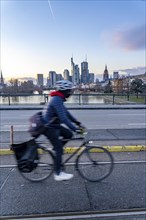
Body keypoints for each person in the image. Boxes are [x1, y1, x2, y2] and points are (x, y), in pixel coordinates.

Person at [42, 80, 84, 181]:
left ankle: (56, 149)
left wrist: (77, 122)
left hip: (54, 125)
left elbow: (67, 113)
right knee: (60, 149)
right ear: (64, 91)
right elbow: (63, 118)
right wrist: (75, 129)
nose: (70, 93)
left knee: (68, 134)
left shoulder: (59, 99)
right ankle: (58, 174)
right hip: (49, 127)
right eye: (69, 91)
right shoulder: (56, 100)